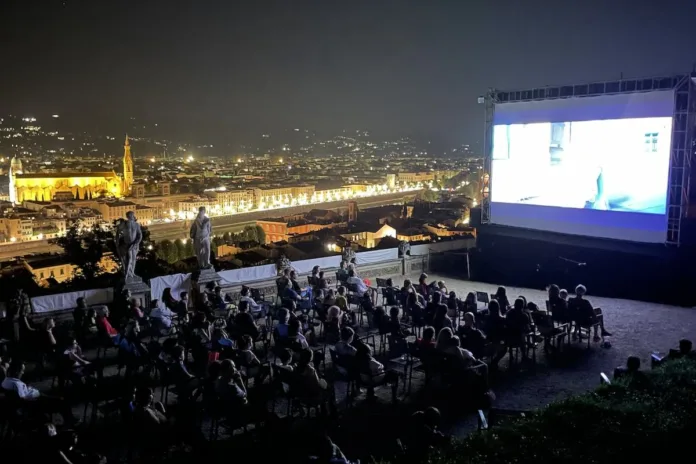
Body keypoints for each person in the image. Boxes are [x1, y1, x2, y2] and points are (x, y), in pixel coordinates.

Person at [1, 361, 79, 425]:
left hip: (35, 400)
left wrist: (28, 389)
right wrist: (35, 393)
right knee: (62, 401)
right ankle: (69, 421)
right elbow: (23, 399)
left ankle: (68, 419)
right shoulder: (16, 384)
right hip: (37, 403)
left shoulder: (6, 381)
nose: (23, 373)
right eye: (22, 371)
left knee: (58, 399)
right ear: (17, 371)